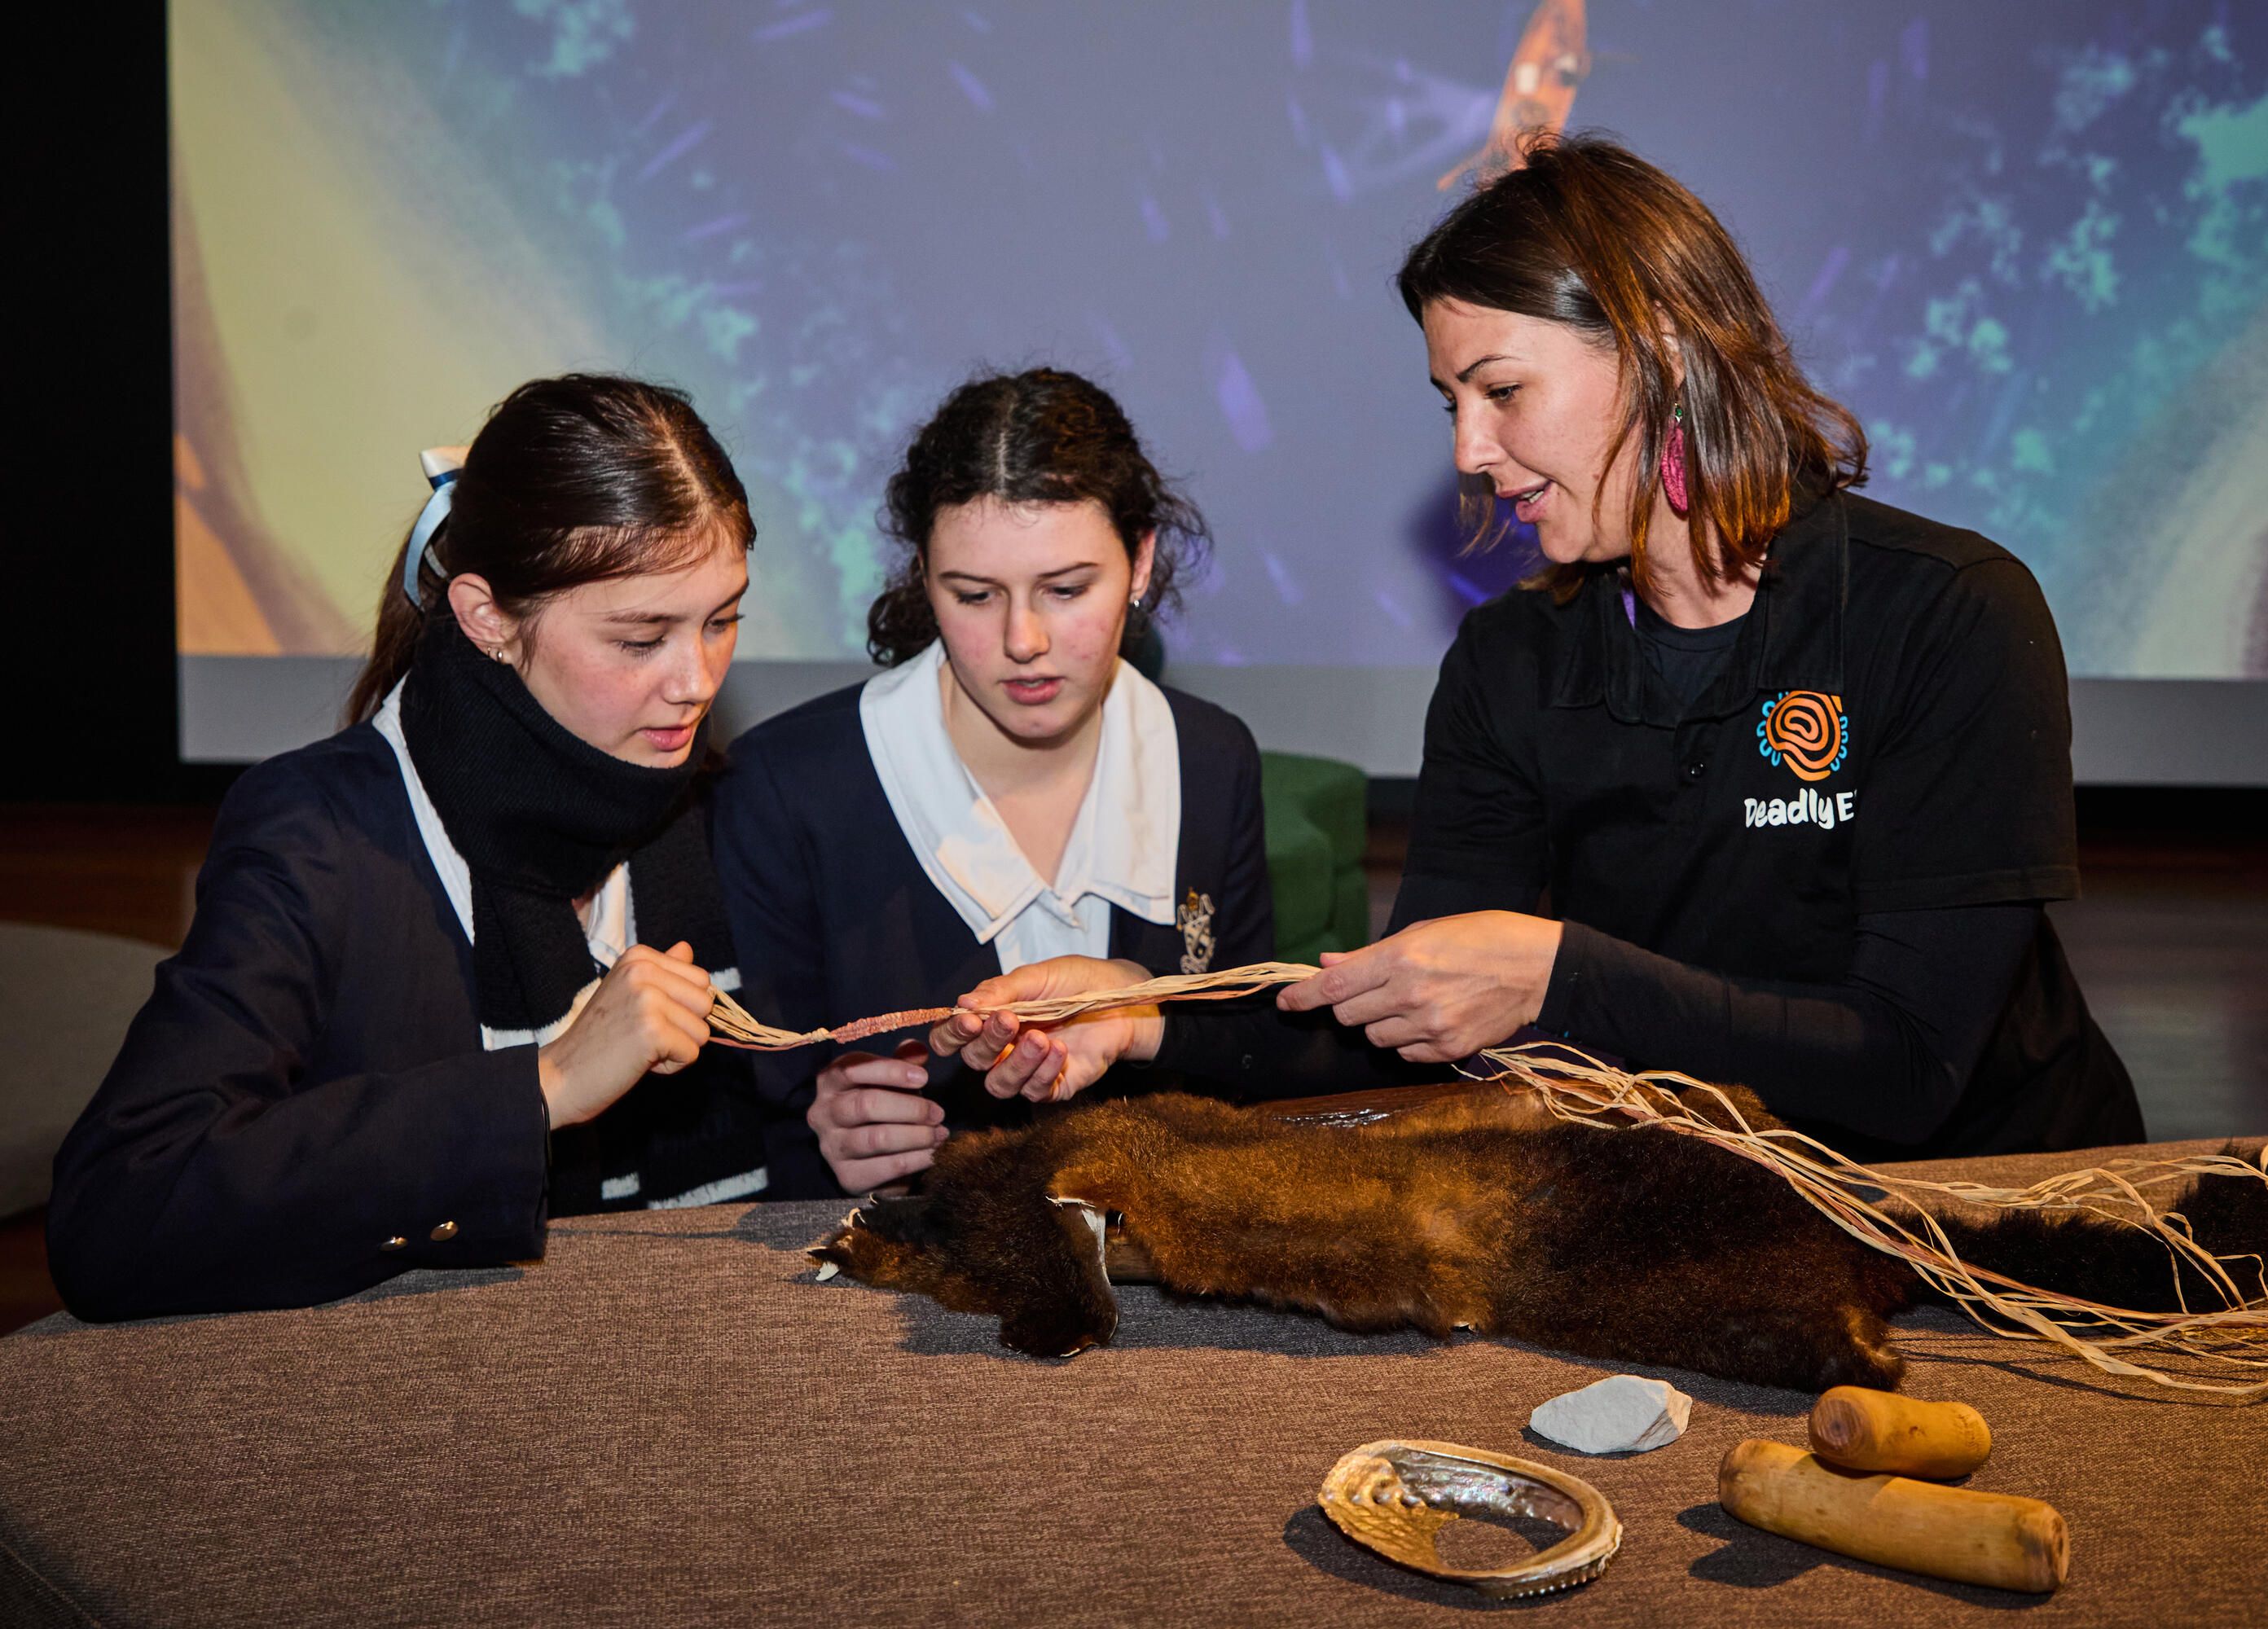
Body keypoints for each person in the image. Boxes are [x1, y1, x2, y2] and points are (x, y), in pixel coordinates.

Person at [938, 136, 2145, 1162]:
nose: (1468, 449)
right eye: (1449, 403)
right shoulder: (1513, 664)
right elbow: (1407, 1009)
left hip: (2008, 1223)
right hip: (1724, 1221)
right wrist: (1147, 1016)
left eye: (1501, 390)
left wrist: (1564, 981)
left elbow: (1907, 1067)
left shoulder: (1945, 613)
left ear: (1665, 351)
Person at [49, 375, 768, 1320]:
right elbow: (118, 1213)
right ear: (485, 616)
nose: (696, 680)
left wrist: (837, 1135)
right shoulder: (319, 832)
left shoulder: (721, 806)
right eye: (642, 638)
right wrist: (543, 1085)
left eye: (723, 621)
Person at [711, 368, 1273, 1197]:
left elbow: (1255, 1062)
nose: (1024, 639)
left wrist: (1149, 1022)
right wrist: (822, 1131)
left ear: (1142, 559)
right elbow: (750, 1113)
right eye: (974, 594)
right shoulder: (791, 788)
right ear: (923, 576)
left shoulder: (1208, 760)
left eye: (1068, 588)